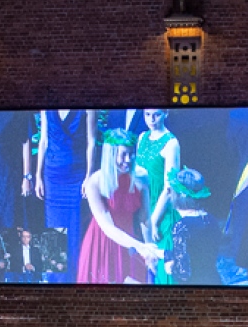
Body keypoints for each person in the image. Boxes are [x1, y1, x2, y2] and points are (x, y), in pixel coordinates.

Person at [75, 128, 164, 284]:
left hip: (129, 243)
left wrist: (150, 247)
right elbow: (108, 228)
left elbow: (145, 218)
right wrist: (141, 248)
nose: (128, 159)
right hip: (102, 244)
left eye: (131, 154)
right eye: (123, 154)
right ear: (110, 156)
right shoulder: (95, 183)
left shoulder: (141, 176)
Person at [35, 109, 97, 282]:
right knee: (54, 233)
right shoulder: (47, 108)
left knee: (74, 233)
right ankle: (55, 283)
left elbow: (91, 142)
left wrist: (88, 176)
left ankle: (74, 282)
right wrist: (38, 176)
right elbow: (44, 141)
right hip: (52, 178)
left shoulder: (88, 108)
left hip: (76, 178)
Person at [136, 109, 181, 284]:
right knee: (148, 262)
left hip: (161, 210)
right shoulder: (142, 138)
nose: (152, 119)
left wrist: (154, 221)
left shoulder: (171, 143)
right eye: (147, 115)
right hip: (143, 206)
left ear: (166, 113)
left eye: (156, 114)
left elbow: (170, 186)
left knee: (164, 267)